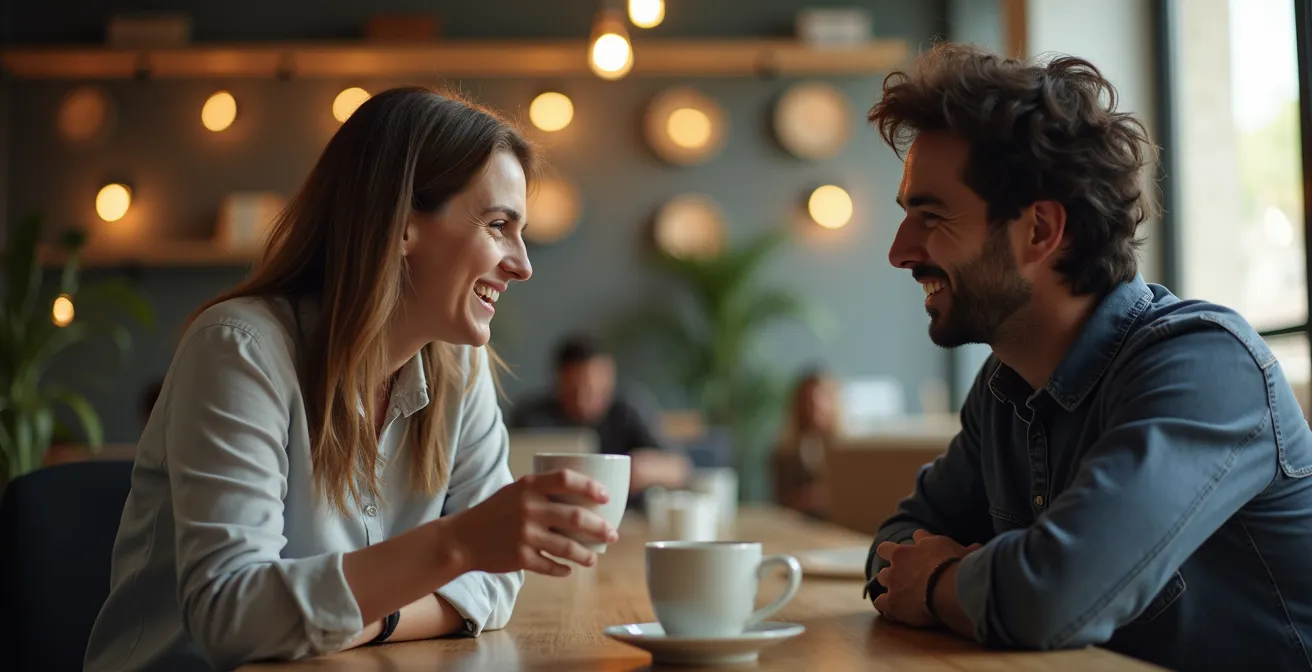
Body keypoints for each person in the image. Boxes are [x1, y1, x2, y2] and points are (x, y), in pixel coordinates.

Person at [84, 87, 620, 672]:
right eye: (498, 225)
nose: (523, 264)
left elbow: (497, 584)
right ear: (402, 226)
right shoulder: (240, 349)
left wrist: (375, 620)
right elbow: (232, 618)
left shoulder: (459, 367)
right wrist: (457, 546)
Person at [862, 42, 1312, 671]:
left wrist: (941, 581)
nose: (899, 252)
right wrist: (973, 581)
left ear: (1041, 231)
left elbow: (1053, 596)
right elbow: (893, 550)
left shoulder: (1208, 366)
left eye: (931, 216)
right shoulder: (1004, 386)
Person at [510, 334, 690, 496]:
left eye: (593, 391)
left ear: (610, 379)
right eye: (572, 392)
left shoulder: (629, 409)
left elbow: (681, 468)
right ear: (557, 381)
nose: (582, 401)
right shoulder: (531, 416)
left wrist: (646, 469)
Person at [771, 367, 839, 518]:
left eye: (821, 398)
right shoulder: (786, 452)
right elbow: (779, 502)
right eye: (808, 400)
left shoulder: (847, 449)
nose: (815, 405)